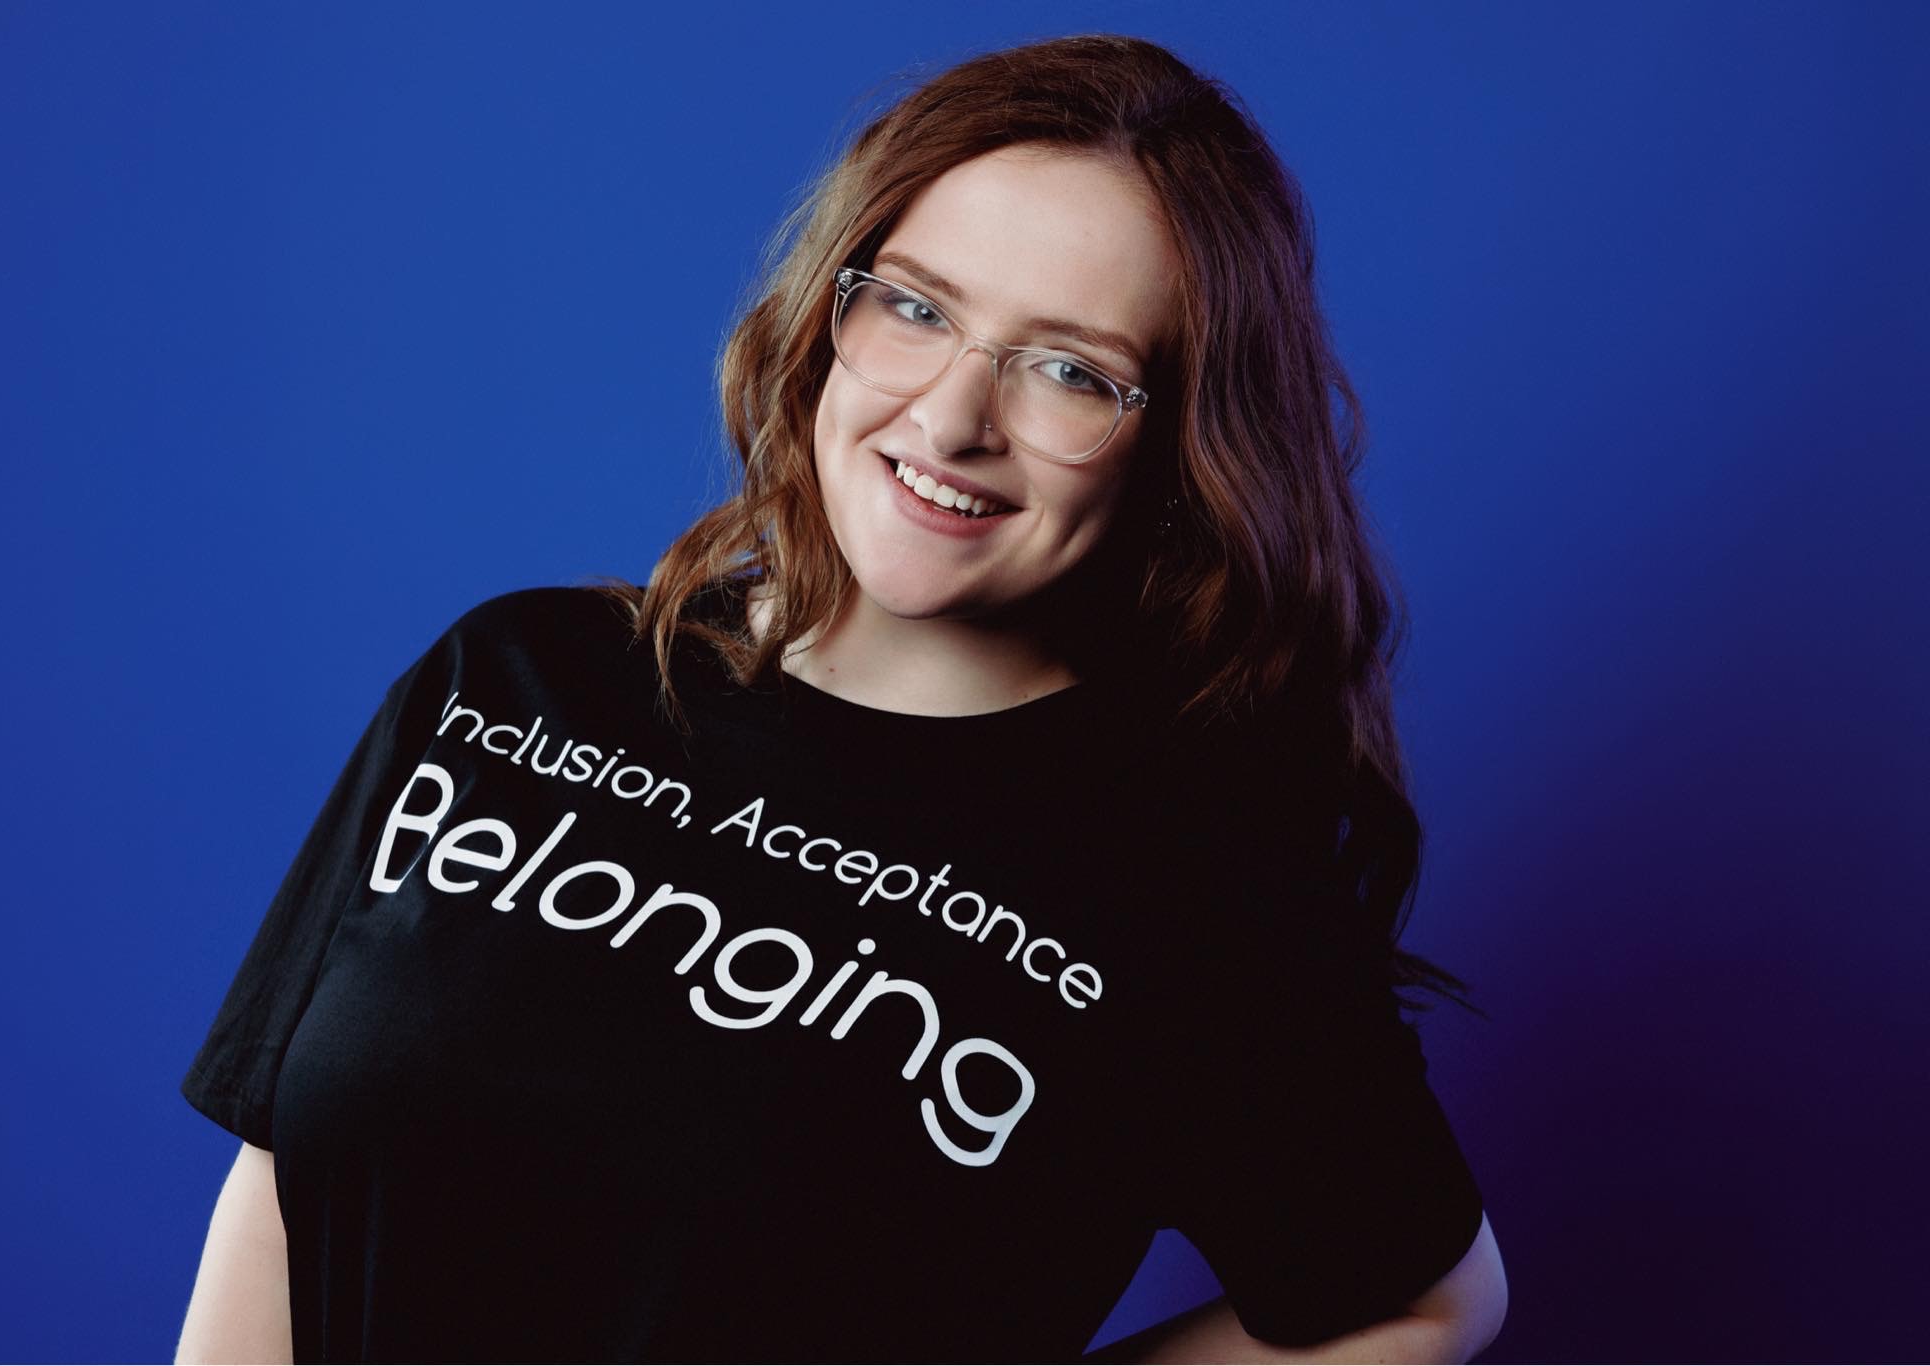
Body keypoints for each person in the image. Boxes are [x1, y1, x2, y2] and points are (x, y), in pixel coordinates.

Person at [175, 33, 1508, 1366]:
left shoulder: (1186, 882)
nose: (950, 420)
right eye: (918, 308)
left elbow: (1428, 1297)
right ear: (830, 308)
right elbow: (280, 1182)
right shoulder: (511, 680)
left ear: (1178, 446)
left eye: (1071, 371)